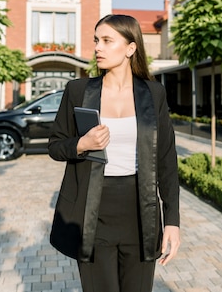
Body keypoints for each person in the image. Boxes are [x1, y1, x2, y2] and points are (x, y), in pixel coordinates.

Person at [48, 14, 181, 292]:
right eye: (97, 40)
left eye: (107, 41)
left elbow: (167, 161)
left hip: (141, 213)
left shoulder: (154, 94)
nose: (98, 47)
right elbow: (56, 146)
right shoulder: (78, 90)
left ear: (130, 48)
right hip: (91, 211)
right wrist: (81, 145)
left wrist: (172, 221)